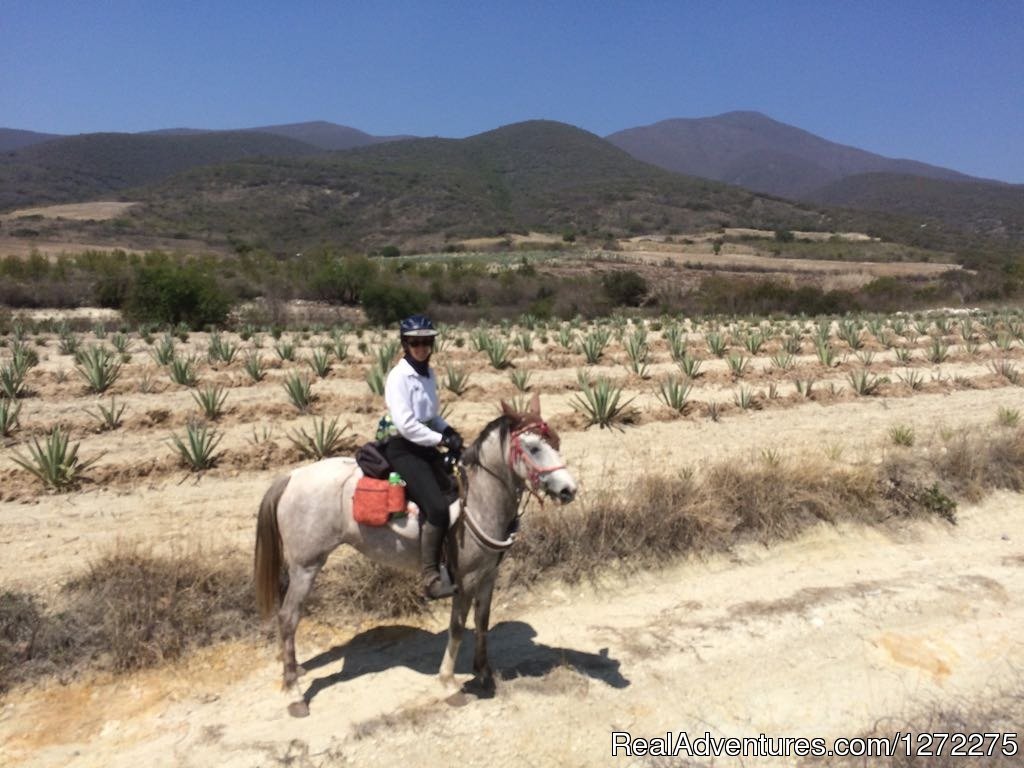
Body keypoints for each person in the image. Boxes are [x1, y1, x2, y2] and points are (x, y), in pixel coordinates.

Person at [382, 314, 464, 599]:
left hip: (423, 444)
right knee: (438, 509)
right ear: (405, 344)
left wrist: (448, 430)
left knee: (456, 491)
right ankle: (430, 579)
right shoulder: (398, 377)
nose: (421, 347)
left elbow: (430, 415)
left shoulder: (429, 374)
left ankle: (452, 562)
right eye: (415, 342)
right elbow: (406, 424)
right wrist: (441, 439)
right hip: (403, 447)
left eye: (426, 342)